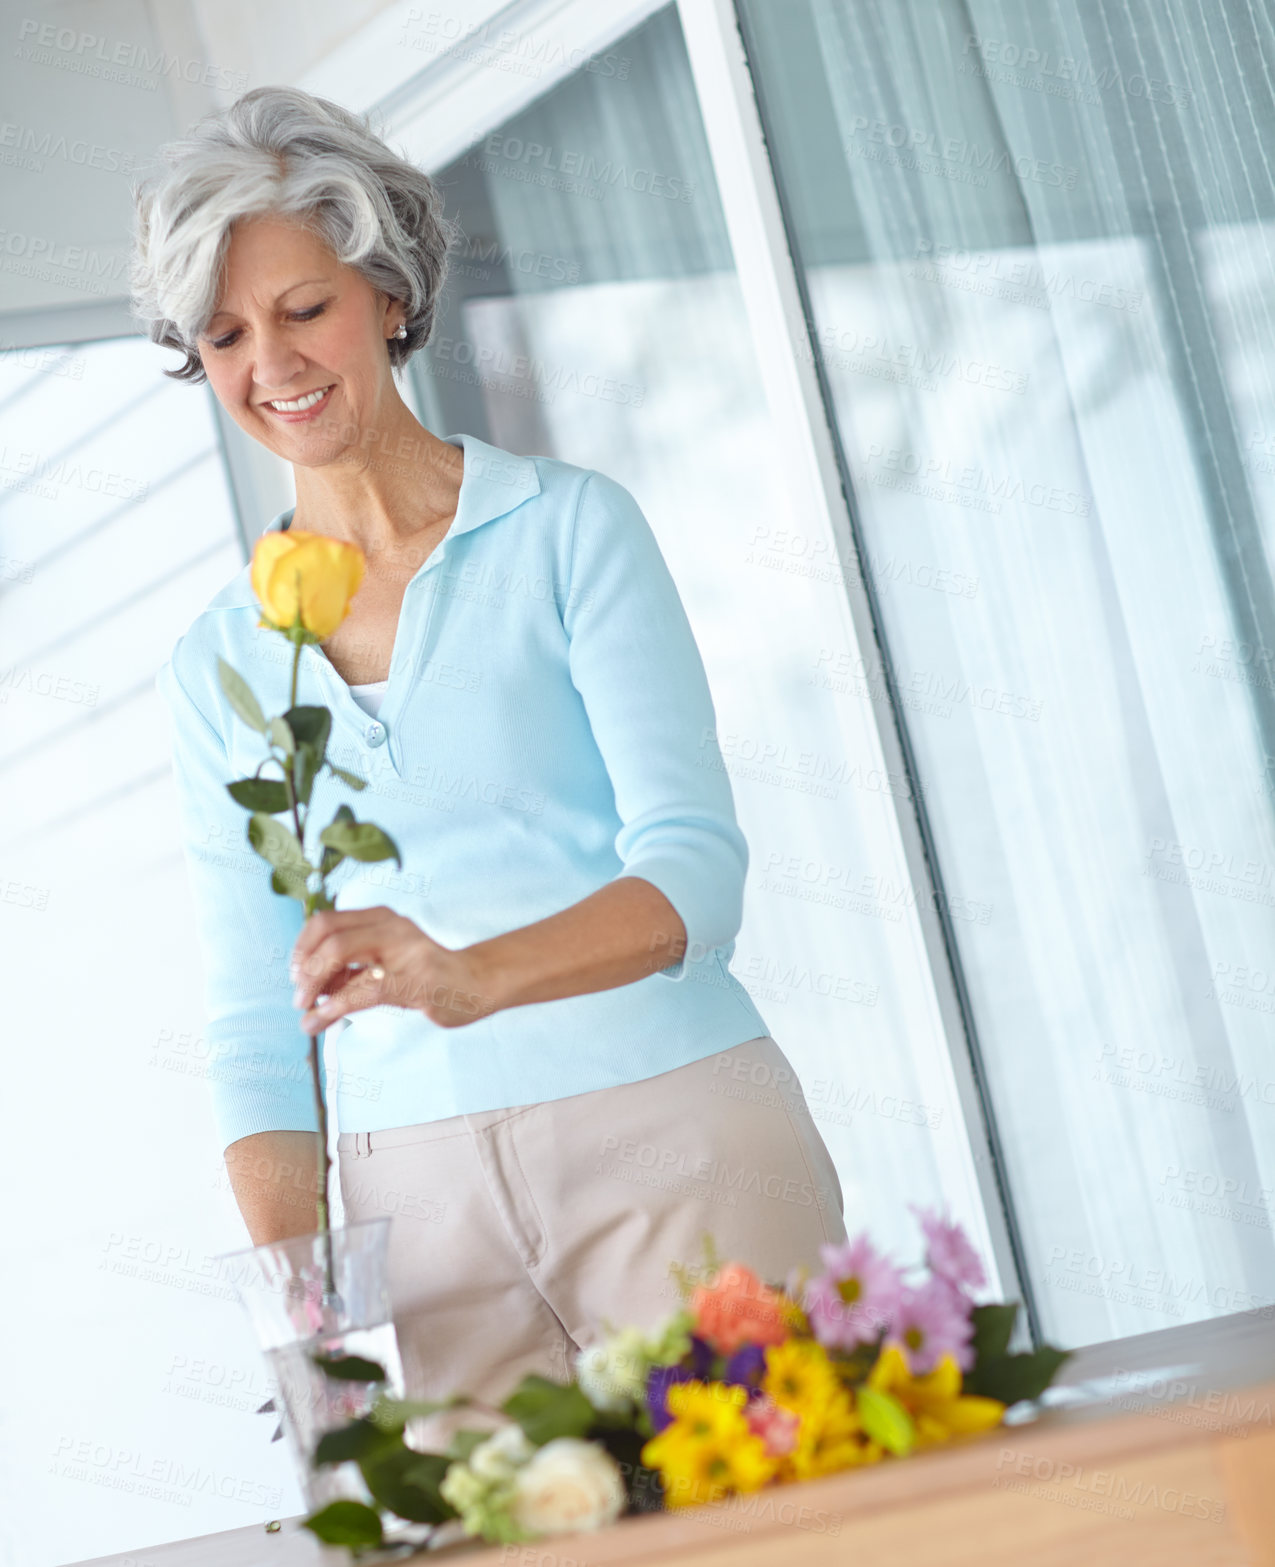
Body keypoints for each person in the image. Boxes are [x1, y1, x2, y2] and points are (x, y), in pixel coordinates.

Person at [133, 84, 846, 1408]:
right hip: (409, 1211)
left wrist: (472, 977)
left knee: (794, 1533)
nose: (269, 365)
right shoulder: (218, 662)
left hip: (675, 1134)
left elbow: (695, 875)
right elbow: (253, 1024)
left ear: (390, 296)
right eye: (224, 334)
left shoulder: (572, 531)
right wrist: (311, 1315)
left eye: (303, 309)